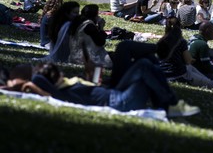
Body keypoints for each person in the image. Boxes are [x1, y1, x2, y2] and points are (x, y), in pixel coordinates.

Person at [28, 62, 199, 117]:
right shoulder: (59, 92)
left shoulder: (66, 85)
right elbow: (37, 79)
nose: (63, 73)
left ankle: (167, 105)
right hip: (120, 102)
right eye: (58, 72)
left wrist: (91, 79)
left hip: (114, 93)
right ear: (52, 77)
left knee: (147, 64)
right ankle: (171, 105)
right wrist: (29, 83)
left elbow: (91, 89)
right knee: (145, 68)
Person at [157, 17, 213, 91]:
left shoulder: (161, 41)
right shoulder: (181, 41)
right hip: (177, 74)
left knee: (191, 68)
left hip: (162, 73)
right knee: (208, 82)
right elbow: (189, 61)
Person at [68, 4, 112, 80]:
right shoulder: (89, 26)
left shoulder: (78, 22)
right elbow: (100, 42)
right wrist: (101, 27)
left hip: (74, 56)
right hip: (86, 59)